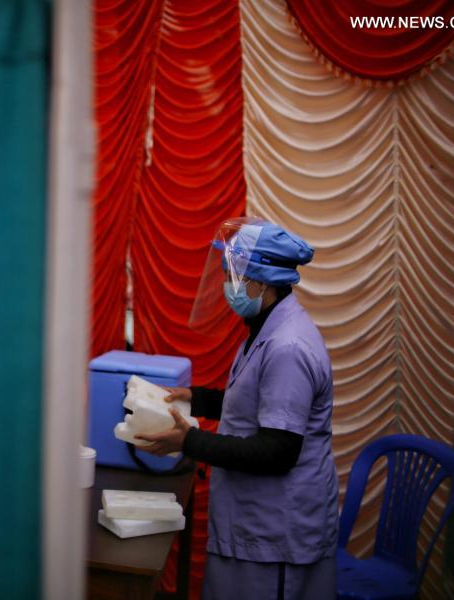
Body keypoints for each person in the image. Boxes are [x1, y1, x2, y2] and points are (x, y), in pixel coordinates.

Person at [135, 217, 338, 600]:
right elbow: (253, 401)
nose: (228, 285)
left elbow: (277, 451)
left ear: (260, 282)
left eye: (233, 275)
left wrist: (189, 441)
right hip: (256, 518)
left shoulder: (287, 348)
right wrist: (191, 396)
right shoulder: (267, 328)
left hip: (276, 532)